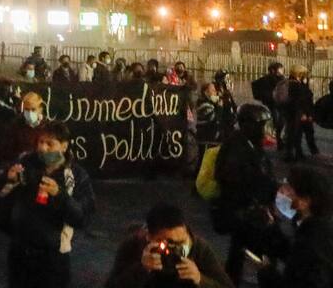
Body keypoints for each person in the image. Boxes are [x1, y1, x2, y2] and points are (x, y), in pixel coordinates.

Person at [0, 121, 95, 288]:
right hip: (20, 253)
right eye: (41, 142)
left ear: (64, 146)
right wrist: (8, 180)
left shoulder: (76, 176)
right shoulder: (26, 163)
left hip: (53, 258)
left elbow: (82, 217)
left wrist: (59, 195)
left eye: (50, 144)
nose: (43, 148)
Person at [215, 103, 283, 286]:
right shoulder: (237, 148)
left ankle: (231, 281)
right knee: (257, 252)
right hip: (247, 211)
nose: (264, 130)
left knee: (239, 252)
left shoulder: (248, 143)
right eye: (261, 125)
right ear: (250, 125)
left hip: (250, 210)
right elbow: (235, 181)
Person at [105, 202, 234, 288]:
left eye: (182, 242)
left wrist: (200, 279)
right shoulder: (133, 245)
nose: (177, 249)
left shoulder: (199, 248)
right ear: (149, 236)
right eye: (169, 243)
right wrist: (142, 269)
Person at [258, 166, 333, 288]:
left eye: (288, 189)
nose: (282, 192)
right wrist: (272, 229)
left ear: (305, 201)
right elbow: (293, 255)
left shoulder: (312, 241)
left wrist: (267, 274)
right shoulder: (311, 228)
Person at [0, 92, 45, 166]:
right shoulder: (15, 126)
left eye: (33, 109)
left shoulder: (45, 128)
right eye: (27, 109)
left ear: (40, 109)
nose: (30, 113)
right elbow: (5, 151)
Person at [284, 64, 318, 162]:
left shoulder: (293, 83)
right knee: (295, 134)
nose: (306, 77)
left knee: (295, 133)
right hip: (298, 113)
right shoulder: (295, 85)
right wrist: (305, 114)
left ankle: (297, 153)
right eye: (304, 74)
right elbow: (300, 101)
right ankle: (292, 155)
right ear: (299, 74)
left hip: (295, 113)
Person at [252, 63, 285, 150]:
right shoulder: (267, 80)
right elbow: (256, 87)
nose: (282, 71)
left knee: (280, 122)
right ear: (273, 71)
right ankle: (276, 140)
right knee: (276, 122)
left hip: (279, 105)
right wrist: (267, 97)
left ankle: (279, 140)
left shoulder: (281, 79)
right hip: (272, 105)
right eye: (280, 70)